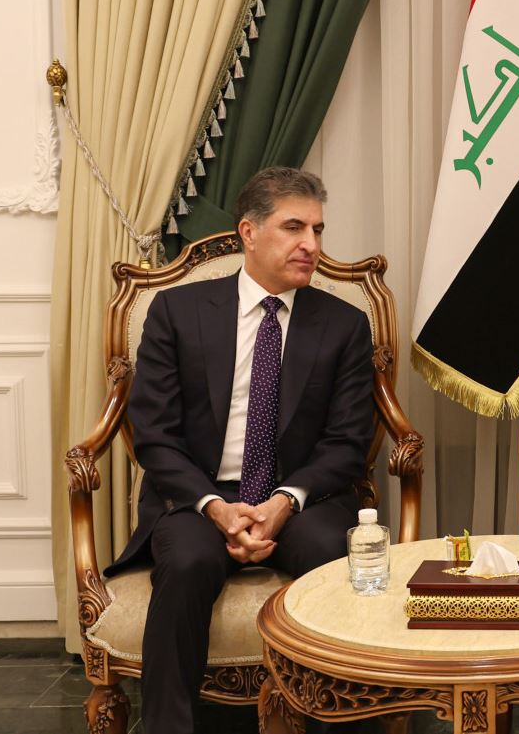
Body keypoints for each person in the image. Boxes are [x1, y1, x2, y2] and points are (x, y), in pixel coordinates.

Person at [103, 167, 375, 734]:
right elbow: (155, 435)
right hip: (199, 496)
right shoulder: (177, 312)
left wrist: (284, 501)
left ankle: (337, 721)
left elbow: (347, 443)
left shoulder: (344, 324)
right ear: (249, 232)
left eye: (318, 230)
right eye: (294, 227)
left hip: (302, 498)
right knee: (189, 562)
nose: (311, 245)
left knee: (331, 555)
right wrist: (216, 508)